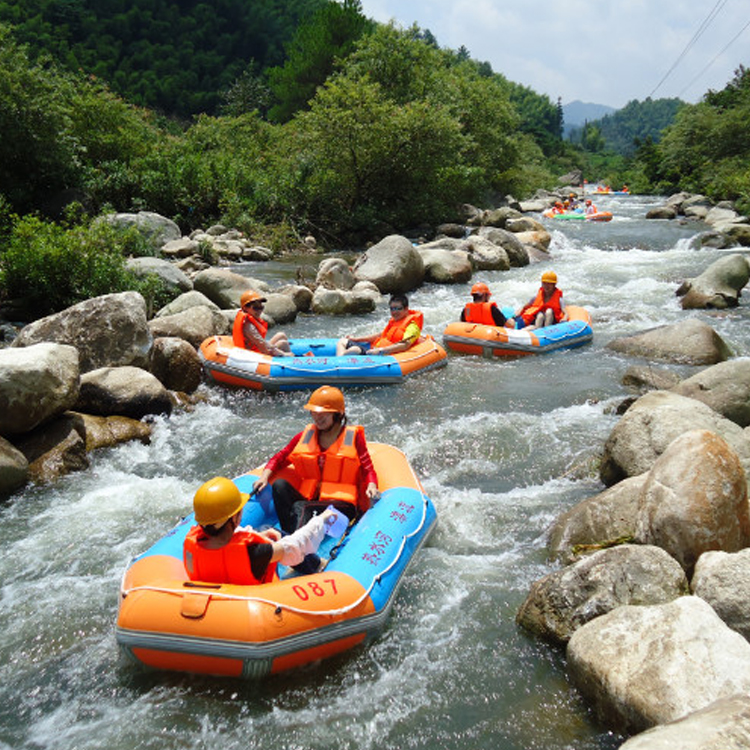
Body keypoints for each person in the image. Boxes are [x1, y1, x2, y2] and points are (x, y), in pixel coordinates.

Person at [252, 385, 379, 573]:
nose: (317, 417)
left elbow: (368, 467)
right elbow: (281, 457)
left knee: (300, 507)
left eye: (324, 414)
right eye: (314, 412)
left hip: (341, 508)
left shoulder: (353, 438)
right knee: (279, 485)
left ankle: (304, 558)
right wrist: (265, 476)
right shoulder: (305, 436)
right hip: (312, 501)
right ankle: (293, 539)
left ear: (337, 414)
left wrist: (371, 485)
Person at [183, 476, 336, 584]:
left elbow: (223, 547)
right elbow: (295, 544)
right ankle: (317, 565)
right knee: (281, 541)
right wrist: (321, 519)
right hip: (256, 611)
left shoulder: (194, 543)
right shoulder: (256, 553)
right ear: (234, 518)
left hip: (221, 609)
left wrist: (260, 535)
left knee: (267, 531)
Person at [335, 294, 423, 357]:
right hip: (376, 349)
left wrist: (381, 351)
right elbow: (381, 335)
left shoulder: (412, 326)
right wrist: (357, 339)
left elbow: (405, 344)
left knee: (355, 350)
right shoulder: (394, 321)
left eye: (398, 308)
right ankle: (339, 362)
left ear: (406, 309)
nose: (394, 312)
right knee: (343, 341)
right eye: (392, 309)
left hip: (385, 354)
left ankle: (339, 364)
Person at [232, 290, 292, 356]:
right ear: (245, 308)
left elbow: (262, 344)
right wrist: (284, 354)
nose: (259, 311)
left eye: (261, 307)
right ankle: (294, 361)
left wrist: (273, 347)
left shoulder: (250, 320)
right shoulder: (248, 327)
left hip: (258, 348)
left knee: (281, 335)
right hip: (253, 355)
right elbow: (264, 348)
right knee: (283, 343)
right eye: (255, 308)